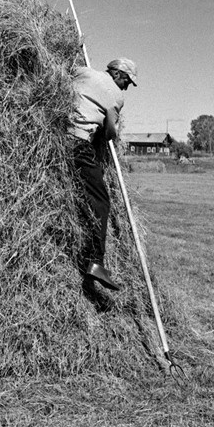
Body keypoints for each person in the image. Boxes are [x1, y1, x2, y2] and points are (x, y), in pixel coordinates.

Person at [68, 58, 137, 292]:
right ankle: (96, 262)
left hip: (57, 138)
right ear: (117, 74)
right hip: (79, 146)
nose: (126, 87)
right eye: (127, 81)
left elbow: (65, 75)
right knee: (101, 202)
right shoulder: (116, 97)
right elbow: (109, 133)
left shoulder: (84, 72)